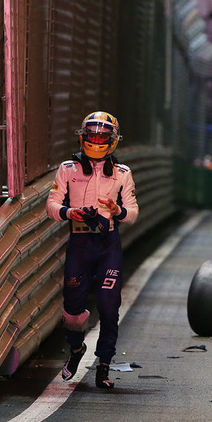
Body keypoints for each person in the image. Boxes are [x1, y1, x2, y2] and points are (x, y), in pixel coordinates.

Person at [46, 111, 139, 389]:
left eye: (102, 135)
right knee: (72, 310)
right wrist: (69, 212)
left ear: (112, 140)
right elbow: (51, 205)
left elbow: (132, 213)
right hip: (80, 244)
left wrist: (117, 210)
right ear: (83, 136)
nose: (96, 139)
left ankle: (104, 363)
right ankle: (76, 350)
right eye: (92, 134)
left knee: (109, 306)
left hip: (108, 244)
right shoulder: (67, 169)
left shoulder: (123, 174)